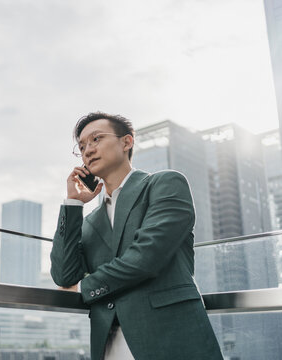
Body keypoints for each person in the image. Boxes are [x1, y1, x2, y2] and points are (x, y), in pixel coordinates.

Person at [50, 112, 223, 360]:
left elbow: (145, 258)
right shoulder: (90, 222)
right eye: (82, 146)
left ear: (126, 142)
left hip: (171, 340)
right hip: (109, 347)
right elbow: (63, 275)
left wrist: (83, 288)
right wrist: (73, 204)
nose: (88, 150)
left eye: (96, 139)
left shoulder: (165, 185)